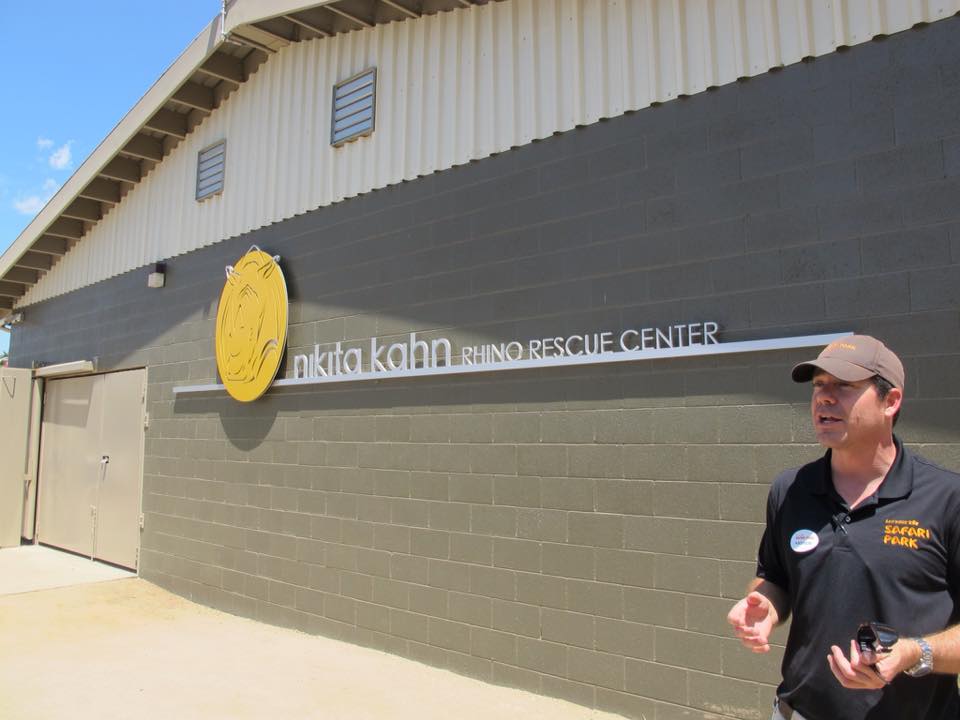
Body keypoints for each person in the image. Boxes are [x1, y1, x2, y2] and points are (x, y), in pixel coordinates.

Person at [726, 335, 960, 720]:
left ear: (891, 401)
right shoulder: (791, 490)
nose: (824, 397)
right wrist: (764, 604)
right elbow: (775, 576)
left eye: (844, 386)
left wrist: (911, 653)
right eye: (819, 385)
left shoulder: (946, 499)